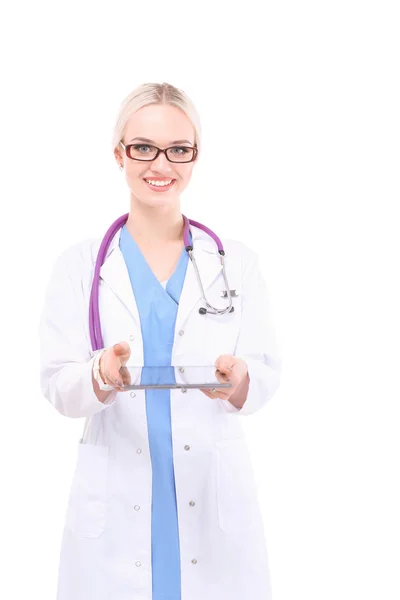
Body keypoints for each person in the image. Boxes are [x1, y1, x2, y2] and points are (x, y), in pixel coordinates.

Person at [39, 82, 282, 600]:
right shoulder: (80, 267)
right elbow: (59, 385)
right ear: (119, 153)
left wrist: (241, 380)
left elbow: (263, 371)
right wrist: (99, 373)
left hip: (209, 495)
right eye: (143, 147)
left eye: (178, 149)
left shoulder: (235, 263)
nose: (160, 164)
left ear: (195, 156)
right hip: (116, 494)